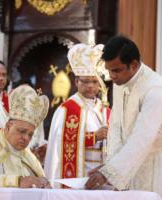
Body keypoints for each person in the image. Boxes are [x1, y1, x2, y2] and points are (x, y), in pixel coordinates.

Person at [85, 36, 162, 200]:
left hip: (161, 164)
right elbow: (117, 128)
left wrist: (111, 172)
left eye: (116, 70)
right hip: (132, 163)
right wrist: (110, 167)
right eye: (109, 70)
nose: (111, 76)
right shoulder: (122, 82)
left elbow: (142, 138)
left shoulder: (156, 90)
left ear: (133, 65)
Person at [44, 43, 110, 188]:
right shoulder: (66, 109)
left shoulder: (105, 109)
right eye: (86, 81)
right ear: (76, 82)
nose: (91, 86)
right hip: (77, 176)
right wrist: (94, 137)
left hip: (102, 176)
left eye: (95, 81)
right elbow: (59, 144)